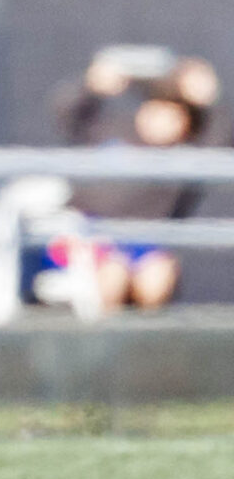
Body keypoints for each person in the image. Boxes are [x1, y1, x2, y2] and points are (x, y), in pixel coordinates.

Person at [46, 46, 216, 313]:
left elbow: (221, 143)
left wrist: (207, 99)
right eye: (158, 109)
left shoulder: (183, 157)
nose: (164, 121)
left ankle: (147, 351)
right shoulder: (109, 129)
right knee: (112, 275)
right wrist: (92, 86)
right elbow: (68, 111)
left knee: (157, 276)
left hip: (144, 241)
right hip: (89, 235)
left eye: (175, 115)